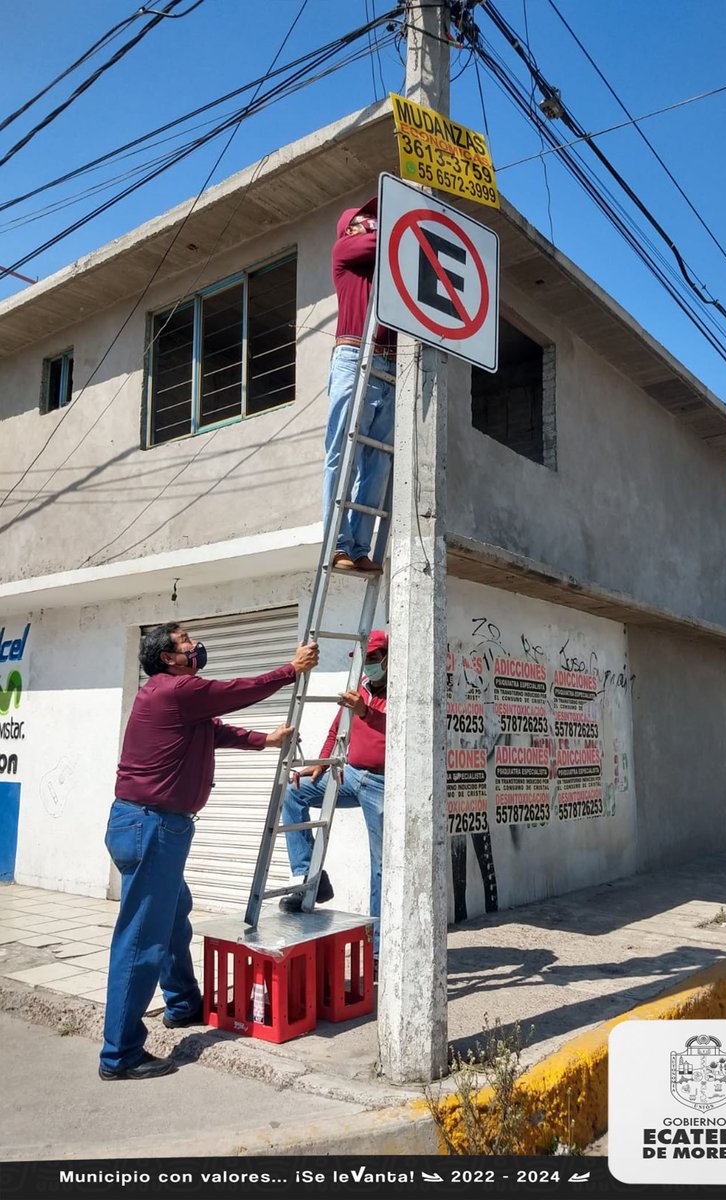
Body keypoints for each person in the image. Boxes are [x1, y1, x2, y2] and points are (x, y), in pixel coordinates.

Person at [99, 622, 319, 1081]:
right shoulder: (177, 691)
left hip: (148, 825)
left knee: (175, 912)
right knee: (141, 938)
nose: (195, 645)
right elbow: (234, 691)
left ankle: (181, 1004)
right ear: (168, 657)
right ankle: (119, 1054)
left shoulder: (178, 700)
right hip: (152, 826)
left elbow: (215, 730)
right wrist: (289, 671)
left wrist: (264, 740)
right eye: (185, 641)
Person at [280, 630, 388, 963]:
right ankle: (311, 878)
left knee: (382, 867)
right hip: (349, 774)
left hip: (383, 784)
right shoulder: (362, 690)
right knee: (292, 793)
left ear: (388, 658)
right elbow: (335, 728)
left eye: (373, 659)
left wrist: (367, 713)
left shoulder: (408, 691)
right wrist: (321, 763)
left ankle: (378, 953)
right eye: (364, 660)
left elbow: (406, 729)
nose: (368, 667)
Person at [325, 197, 396, 573]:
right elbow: (384, 239)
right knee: (343, 454)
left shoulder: (385, 263)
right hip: (354, 354)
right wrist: (383, 228)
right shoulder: (346, 249)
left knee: (378, 461)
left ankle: (359, 548)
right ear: (349, 229)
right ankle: (337, 545)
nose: (371, 221)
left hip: (391, 364)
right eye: (363, 218)